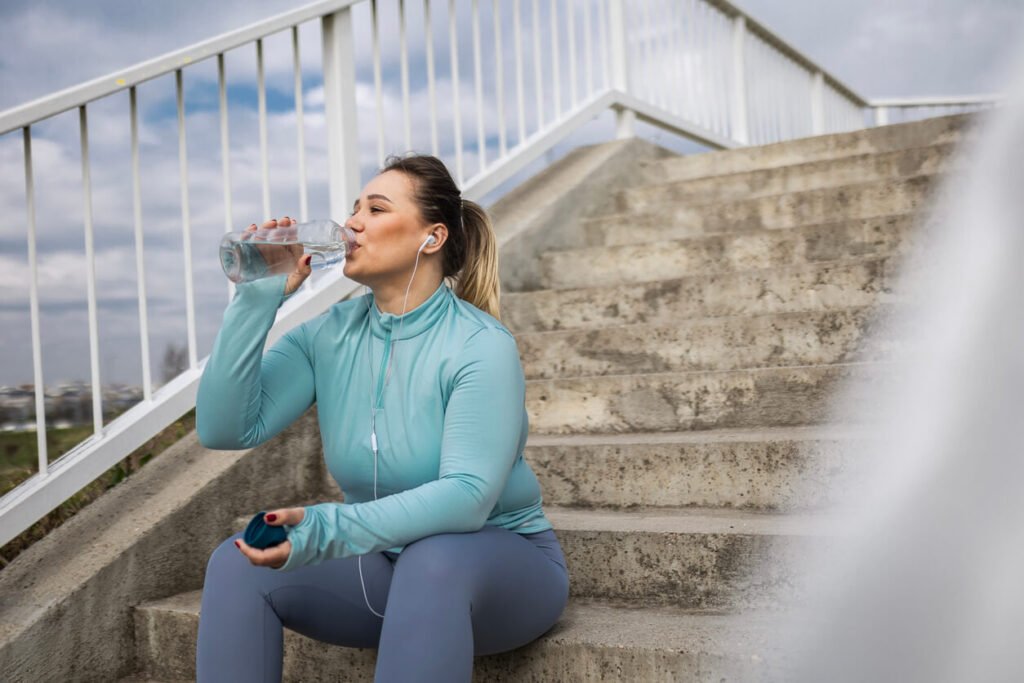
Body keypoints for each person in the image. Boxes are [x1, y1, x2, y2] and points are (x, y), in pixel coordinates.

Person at [193, 154, 570, 682]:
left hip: (498, 573)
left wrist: (328, 527)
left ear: (431, 238)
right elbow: (225, 428)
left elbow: (466, 497)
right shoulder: (327, 334)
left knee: (433, 559)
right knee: (239, 561)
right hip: (383, 568)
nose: (352, 223)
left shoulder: (479, 345)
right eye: (354, 209)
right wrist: (255, 302)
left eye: (376, 208)